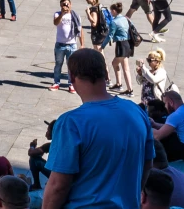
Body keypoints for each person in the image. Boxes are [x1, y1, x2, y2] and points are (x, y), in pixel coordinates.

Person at [43, 49, 154, 209]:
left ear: (72, 77)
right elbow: (148, 164)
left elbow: (58, 186)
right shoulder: (136, 111)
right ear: (106, 74)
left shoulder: (71, 123)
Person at [153, 91, 184, 162]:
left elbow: (157, 136)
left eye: (165, 104)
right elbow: (173, 128)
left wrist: (146, 125)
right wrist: (155, 124)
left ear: (170, 102)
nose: (165, 107)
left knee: (165, 142)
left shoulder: (175, 115)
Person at [53, 0, 84, 92]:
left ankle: (71, 84)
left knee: (71, 66)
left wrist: (82, 44)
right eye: (63, 4)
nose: (66, 6)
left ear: (71, 4)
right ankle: (56, 82)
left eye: (67, 4)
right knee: (58, 64)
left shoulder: (75, 16)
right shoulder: (57, 14)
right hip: (60, 44)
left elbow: (80, 30)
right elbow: (55, 23)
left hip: (72, 44)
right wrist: (62, 13)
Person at [139, 51, 175, 122]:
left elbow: (153, 79)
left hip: (155, 102)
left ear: (157, 61)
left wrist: (144, 68)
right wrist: (140, 74)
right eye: (147, 60)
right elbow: (140, 81)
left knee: (152, 120)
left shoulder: (161, 72)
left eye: (150, 60)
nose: (148, 62)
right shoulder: (149, 71)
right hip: (145, 101)